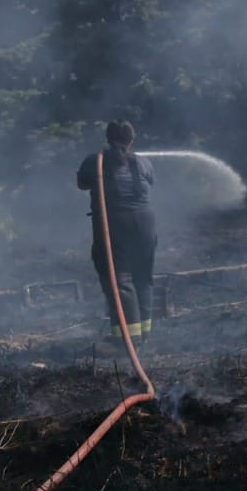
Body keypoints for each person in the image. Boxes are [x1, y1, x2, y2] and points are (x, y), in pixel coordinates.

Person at [77, 120, 158, 343]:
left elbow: (82, 184)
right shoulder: (144, 162)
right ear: (132, 140)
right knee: (143, 277)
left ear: (108, 138)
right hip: (145, 224)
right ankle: (143, 334)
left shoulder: (95, 161)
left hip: (114, 224)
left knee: (119, 279)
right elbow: (150, 182)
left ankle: (127, 341)